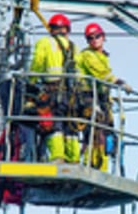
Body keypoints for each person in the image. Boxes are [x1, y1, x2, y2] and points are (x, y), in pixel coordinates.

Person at [75, 22, 132, 172]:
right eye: (90, 38)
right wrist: (120, 83)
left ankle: (102, 167)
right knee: (94, 134)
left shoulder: (102, 56)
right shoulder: (87, 55)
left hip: (100, 99)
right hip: (88, 97)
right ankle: (91, 165)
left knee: (105, 133)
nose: (94, 40)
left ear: (103, 37)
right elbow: (102, 75)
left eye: (97, 36)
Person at [28, 14, 80, 163]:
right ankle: (74, 158)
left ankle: (58, 157)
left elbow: (38, 63)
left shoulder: (44, 43)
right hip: (72, 94)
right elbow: (79, 72)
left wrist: (31, 82)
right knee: (71, 126)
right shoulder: (74, 47)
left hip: (52, 91)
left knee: (53, 124)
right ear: (67, 29)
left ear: (51, 29)